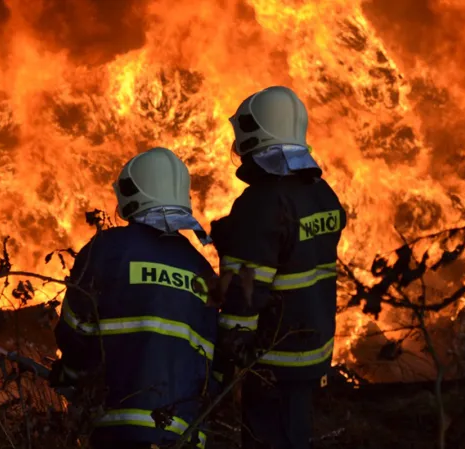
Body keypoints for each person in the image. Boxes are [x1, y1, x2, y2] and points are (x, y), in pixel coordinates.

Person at [52, 147, 220, 449]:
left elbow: (76, 328)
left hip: (118, 426)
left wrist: (70, 377)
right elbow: (210, 357)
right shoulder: (201, 269)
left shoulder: (107, 249)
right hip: (183, 432)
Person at [210, 86, 347, 449]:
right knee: (294, 433)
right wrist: (238, 236)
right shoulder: (321, 192)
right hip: (312, 345)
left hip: (273, 354)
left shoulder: (261, 202)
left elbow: (245, 289)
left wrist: (229, 350)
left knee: (269, 438)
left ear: (256, 136)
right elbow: (293, 251)